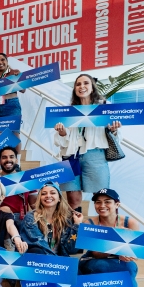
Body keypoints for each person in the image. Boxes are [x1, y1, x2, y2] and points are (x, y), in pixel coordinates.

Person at [16, 183, 95, 287]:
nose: (48, 196)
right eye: (44, 193)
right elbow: (38, 243)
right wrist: (61, 267)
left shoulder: (66, 219)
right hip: (37, 268)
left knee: (73, 266)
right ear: (40, 198)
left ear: (59, 197)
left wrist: (77, 226)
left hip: (58, 269)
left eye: (52, 193)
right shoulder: (32, 217)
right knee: (38, 253)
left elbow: (71, 248)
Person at [54, 74, 121, 209]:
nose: (82, 86)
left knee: (101, 197)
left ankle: (104, 222)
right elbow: (62, 138)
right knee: (73, 200)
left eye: (86, 83)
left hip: (95, 156)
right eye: (78, 84)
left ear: (92, 87)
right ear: (74, 89)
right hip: (70, 156)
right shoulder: (68, 110)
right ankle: (75, 223)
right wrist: (62, 132)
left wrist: (113, 130)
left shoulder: (104, 107)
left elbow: (115, 135)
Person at [80, 188, 140, 287]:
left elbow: (135, 252)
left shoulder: (131, 223)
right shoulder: (89, 224)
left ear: (117, 204)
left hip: (119, 259)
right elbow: (96, 254)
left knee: (130, 266)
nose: (102, 205)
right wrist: (116, 241)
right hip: (95, 259)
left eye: (107, 202)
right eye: (98, 202)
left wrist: (127, 253)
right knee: (100, 266)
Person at [0, 147, 38, 219]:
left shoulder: (26, 178)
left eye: (11, 157)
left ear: (16, 160)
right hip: (1, 219)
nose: (8, 160)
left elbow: (35, 205)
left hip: (23, 220)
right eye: (4, 157)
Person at [0, 53, 22, 119]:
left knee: (12, 126)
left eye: (2, 60)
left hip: (11, 106)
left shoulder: (14, 73)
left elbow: (23, 90)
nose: (0, 62)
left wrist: (17, 78)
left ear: (7, 61)